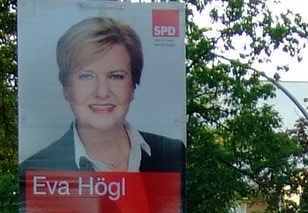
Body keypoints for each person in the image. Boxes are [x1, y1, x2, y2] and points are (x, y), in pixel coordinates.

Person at [21, 15, 185, 176]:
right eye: (86, 76)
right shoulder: (36, 170)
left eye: (116, 76)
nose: (102, 92)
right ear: (66, 88)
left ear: (133, 85)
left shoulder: (171, 155)